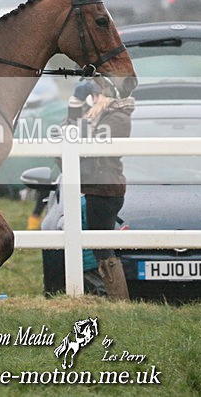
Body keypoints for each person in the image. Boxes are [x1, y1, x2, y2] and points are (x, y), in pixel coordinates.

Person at [69, 80, 135, 300]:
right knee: (99, 247)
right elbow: (69, 132)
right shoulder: (101, 115)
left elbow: (91, 144)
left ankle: (118, 298)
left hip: (106, 190)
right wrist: (74, 104)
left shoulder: (118, 118)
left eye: (96, 96)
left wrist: (84, 115)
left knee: (102, 247)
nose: (94, 100)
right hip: (96, 188)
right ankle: (113, 297)